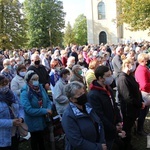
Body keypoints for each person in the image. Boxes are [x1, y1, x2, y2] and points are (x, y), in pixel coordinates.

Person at [62, 81, 107, 150]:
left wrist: (101, 142)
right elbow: (76, 141)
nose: (84, 95)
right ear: (72, 99)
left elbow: (99, 124)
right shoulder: (68, 116)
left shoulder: (88, 106)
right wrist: (97, 147)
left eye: (83, 92)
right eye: (80, 94)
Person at [87, 65, 122, 150]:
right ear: (100, 78)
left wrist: (119, 121)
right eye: (108, 76)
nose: (111, 77)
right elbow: (100, 116)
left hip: (113, 125)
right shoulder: (93, 95)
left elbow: (114, 105)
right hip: (106, 129)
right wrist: (113, 128)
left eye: (110, 74)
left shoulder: (107, 88)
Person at [20, 70, 52, 150]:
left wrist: (48, 109)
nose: (36, 81)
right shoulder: (25, 93)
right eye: (33, 80)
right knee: (35, 141)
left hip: (44, 119)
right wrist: (44, 111)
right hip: (33, 122)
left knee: (43, 141)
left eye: (37, 79)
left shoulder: (41, 88)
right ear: (28, 81)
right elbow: (28, 110)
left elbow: (48, 100)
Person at [117, 59, 145, 150]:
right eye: (132, 64)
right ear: (127, 65)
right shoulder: (122, 78)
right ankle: (126, 146)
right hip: (128, 110)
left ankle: (128, 144)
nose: (134, 66)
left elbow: (136, 89)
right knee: (126, 129)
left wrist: (141, 101)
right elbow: (127, 97)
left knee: (129, 128)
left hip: (134, 108)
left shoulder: (129, 76)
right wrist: (139, 104)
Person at [0, 75, 24, 150]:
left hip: (15, 133)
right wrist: (11, 122)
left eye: (6, 83)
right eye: (2, 84)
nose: (5, 86)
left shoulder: (12, 95)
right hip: (3, 138)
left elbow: (20, 107)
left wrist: (21, 117)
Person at [135, 53, 150, 136]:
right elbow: (143, 85)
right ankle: (139, 130)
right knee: (142, 113)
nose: (147, 62)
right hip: (144, 93)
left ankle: (141, 129)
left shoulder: (143, 68)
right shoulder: (141, 69)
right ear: (142, 60)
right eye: (146, 60)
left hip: (145, 92)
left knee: (144, 112)